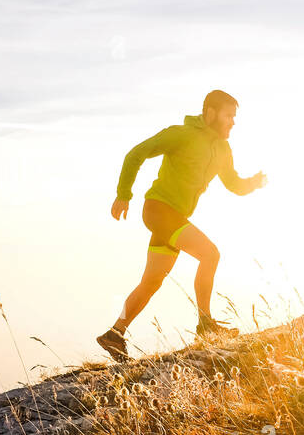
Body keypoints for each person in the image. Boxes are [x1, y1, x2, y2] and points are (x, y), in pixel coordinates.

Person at [96, 89, 267, 362]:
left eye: (235, 117)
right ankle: (205, 324)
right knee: (210, 254)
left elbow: (233, 184)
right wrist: (123, 194)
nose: (233, 122)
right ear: (210, 113)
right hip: (159, 210)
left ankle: (115, 334)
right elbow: (135, 154)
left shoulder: (222, 150)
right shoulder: (181, 135)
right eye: (228, 116)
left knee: (152, 281)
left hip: (173, 218)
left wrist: (253, 183)